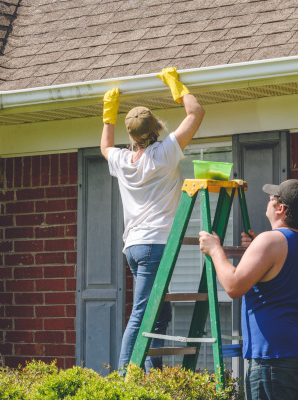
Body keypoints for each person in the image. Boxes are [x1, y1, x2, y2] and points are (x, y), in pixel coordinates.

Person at [101, 67, 205, 371]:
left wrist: (109, 113)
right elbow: (196, 113)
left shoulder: (122, 160)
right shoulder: (164, 153)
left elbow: (105, 147)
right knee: (142, 314)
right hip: (155, 246)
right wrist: (176, 86)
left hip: (134, 248)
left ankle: (152, 375)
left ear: (131, 135)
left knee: (159, 314)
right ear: (156, 127)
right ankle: (124, 380)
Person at [199, 179, 298, 400]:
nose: (268, 199)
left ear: (281, 209)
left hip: (273, 357)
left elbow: (234, 286)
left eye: (273, 197)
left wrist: (215, 250)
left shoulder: (270, 242)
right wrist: (256, 251)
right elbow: (281, 273)